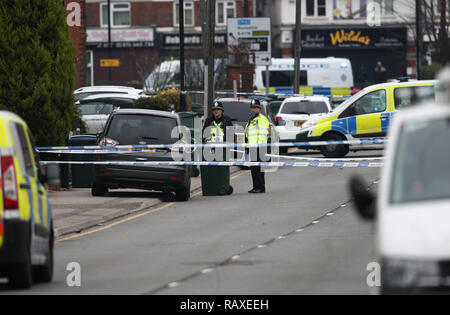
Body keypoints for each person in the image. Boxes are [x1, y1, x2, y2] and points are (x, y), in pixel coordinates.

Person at [245, 99, 270, 194]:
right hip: (252, 147)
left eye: (255, 107)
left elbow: (263, 134)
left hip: (258, 147)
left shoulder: (261, 119)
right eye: (252, 107)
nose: (253, 109)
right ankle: (256, 186)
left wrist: (260, 147)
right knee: (254, 169)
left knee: (259, 169)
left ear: (259, 108)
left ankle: (260, 187)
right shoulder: (252, 119)